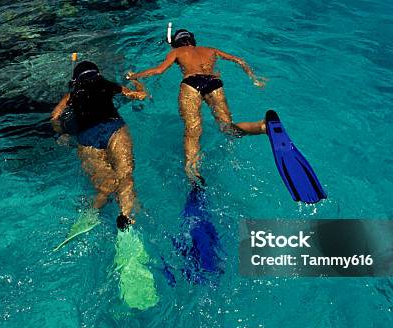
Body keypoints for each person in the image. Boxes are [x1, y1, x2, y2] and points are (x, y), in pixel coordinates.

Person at [127, 29, 267, 182]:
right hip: (214, 82)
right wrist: (254, 78)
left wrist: (133, 76)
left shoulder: (177, 51)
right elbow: (239, 60)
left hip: (191, 83)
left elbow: (159, 70)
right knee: (227, 127)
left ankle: (193, 171)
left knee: (193, 129)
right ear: (192, 40)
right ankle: (261, 127)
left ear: (176, 43)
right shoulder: (210, 49)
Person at [51, 60, 147, 230]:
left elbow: (55, 116)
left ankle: (93, 210)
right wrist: (137, 82)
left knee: (107, 185)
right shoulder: (107, 84)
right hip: (115, 129)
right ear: (98, 74)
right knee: (125, 176)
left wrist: (62, 133)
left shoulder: (72, 94)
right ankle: (126, 216)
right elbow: (139, 96)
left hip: (87, 136)